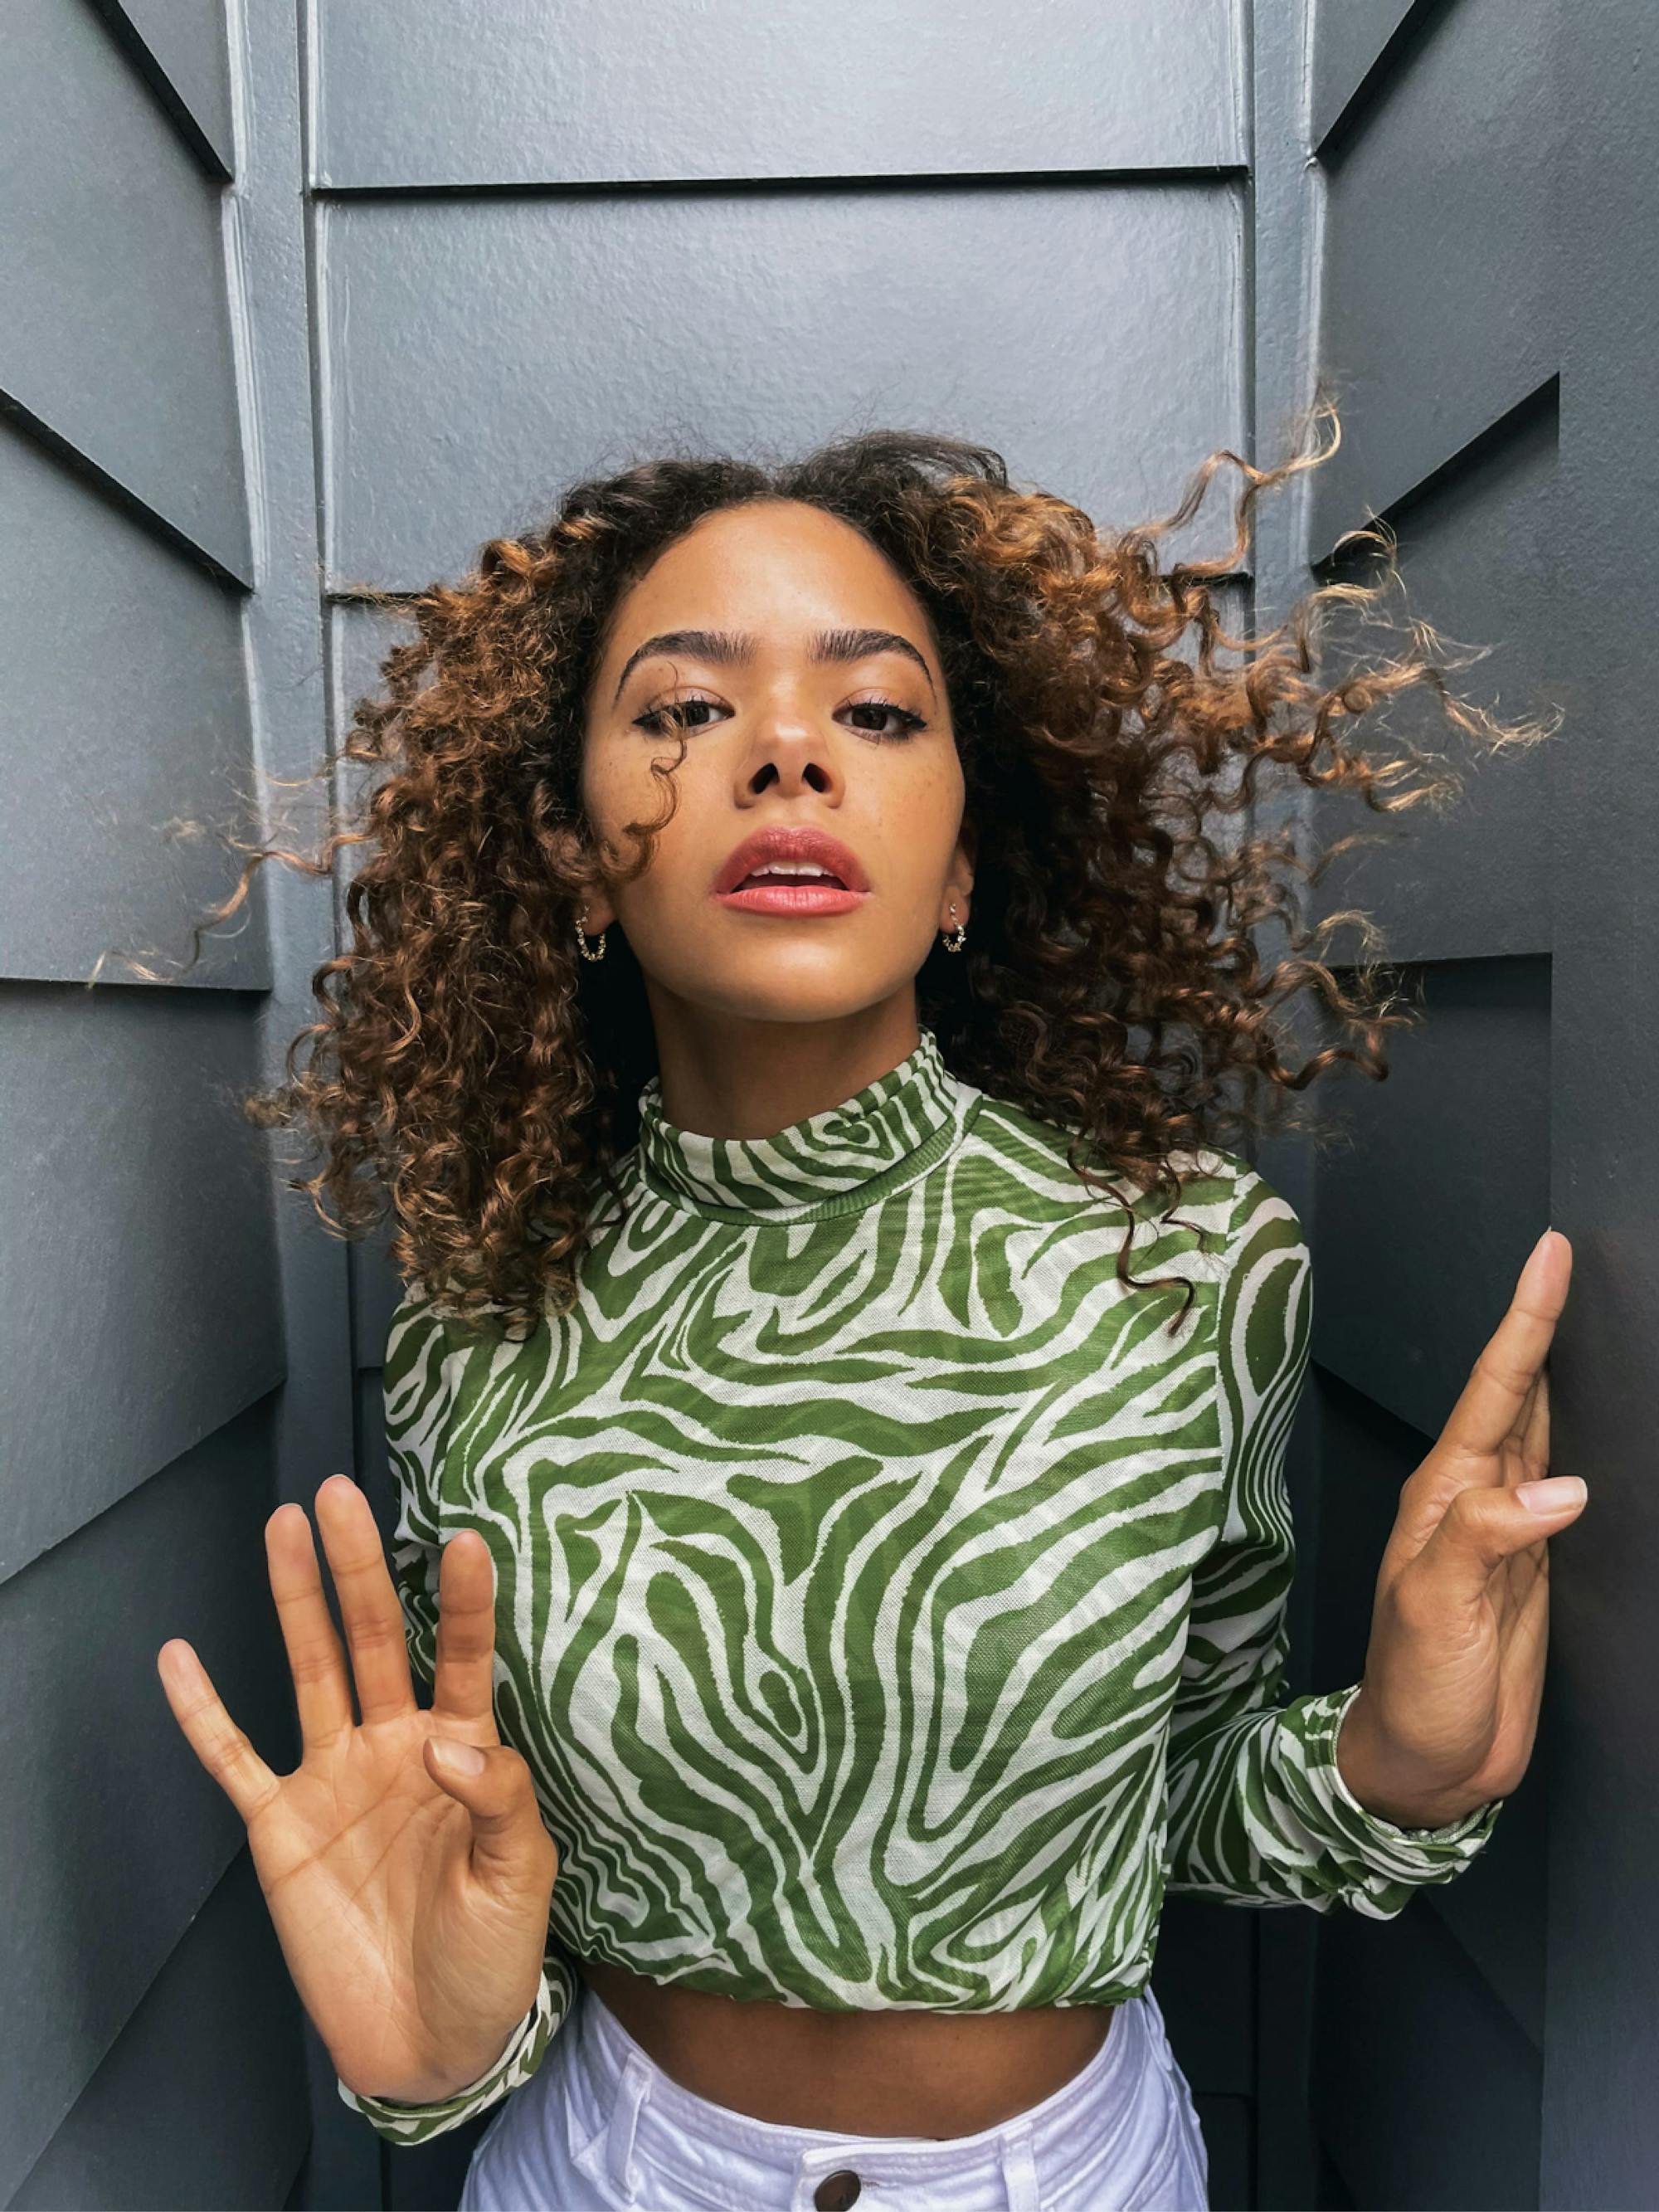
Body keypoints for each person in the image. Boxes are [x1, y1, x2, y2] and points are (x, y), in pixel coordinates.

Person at [156, 423, 1580, 2211]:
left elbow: (1184, 1795)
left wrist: (1399, 1764)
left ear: (966, 857)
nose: (782, 751)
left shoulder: (1187, 1269)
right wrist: (443, 2060)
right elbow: (485, 1899)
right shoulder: (482, 1323)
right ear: (576, 858)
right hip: (605, 2168)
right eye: (682, 709)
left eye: (878, 713)